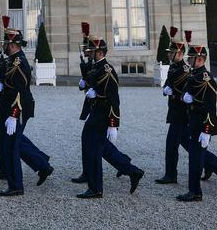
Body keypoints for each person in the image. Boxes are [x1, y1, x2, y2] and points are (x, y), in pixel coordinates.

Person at [76, 33, 144, 199]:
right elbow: (93, 84)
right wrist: (84, 84)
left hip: (103, 115)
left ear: (100, 52)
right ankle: (132, 170)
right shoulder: (95, 67)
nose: (89, 53)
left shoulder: (107, 70)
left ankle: (96, 188)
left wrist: (113, 124)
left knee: (94, 149)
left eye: (92, 50)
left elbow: (114, 100)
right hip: (95, 112)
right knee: (95, 144)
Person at [0, 15, 53, 185]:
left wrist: (13, 115)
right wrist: (1, 80)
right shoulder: (11, 60)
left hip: (16, 108)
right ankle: (35, 164)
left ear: (11, 44)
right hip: (6, 106)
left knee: (12, 143)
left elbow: (20, 92)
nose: (3, 46)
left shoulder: (19, 63)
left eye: (5, 43)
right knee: (6, 138)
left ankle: (25, 177)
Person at [177, 39, 217, 201]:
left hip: (203, 123)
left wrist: (207, 131)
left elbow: (211, 107)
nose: (188, 60)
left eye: (191, 58)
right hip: (193, 121)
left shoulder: (206, 78)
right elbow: (183, 94)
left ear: (199, 59)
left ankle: (195, 192)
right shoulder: (194, 74)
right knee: (197, 155)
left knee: (196, 159)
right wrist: (185, 97)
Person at [156, 27, 191, 185]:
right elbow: (168, 85)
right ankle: (214, 166)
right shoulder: (174, 66)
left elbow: (177, 88)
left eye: (172, 53)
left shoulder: (183, 69)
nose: (169, 54)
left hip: (181, 112)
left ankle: (171, 175)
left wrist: (170, 90)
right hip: (175, 110)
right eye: (169, 52)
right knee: (189, 145)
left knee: (171, 144)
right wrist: (166, 89)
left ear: (180, 53)